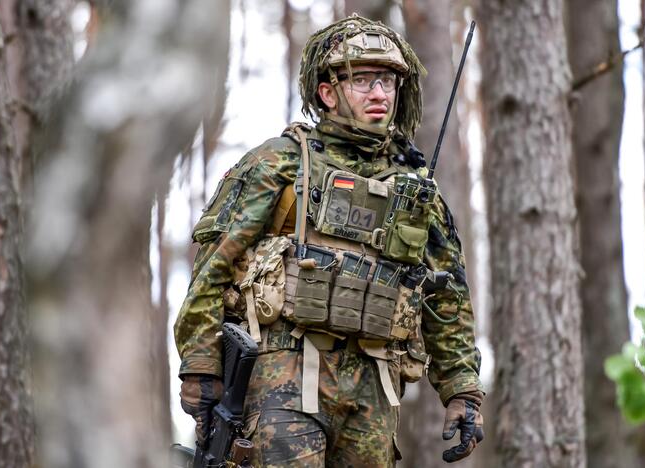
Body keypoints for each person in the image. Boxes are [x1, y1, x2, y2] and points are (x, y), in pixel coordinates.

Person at [174, 14, 484, 467]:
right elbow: (214, 264)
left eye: (388, 81)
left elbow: (447, 296)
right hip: (285, 375)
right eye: (363, 80)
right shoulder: (280, 164)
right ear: (327, 91)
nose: (380, 94)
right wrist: (200, 366)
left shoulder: (414, 188)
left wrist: (462, 389)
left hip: (375, 388)